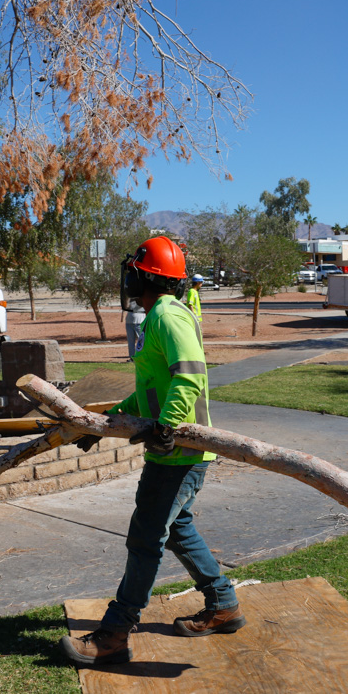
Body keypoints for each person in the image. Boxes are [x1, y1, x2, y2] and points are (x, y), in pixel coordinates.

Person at [60, 236, 244, 667]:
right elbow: (149, 390)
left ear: (143, 278)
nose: (128, 281)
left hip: (180, 453)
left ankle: (115, 634)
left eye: (133, 273)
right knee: (176, 528)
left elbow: (190, 375)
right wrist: (106, 422)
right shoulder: (157, 317)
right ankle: (223, 605)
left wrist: (167, 426)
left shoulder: (167, 316)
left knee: (146, 538)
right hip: (173, 452)